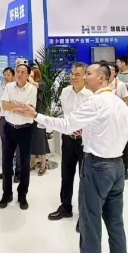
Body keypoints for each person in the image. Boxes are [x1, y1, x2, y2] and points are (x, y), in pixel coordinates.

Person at [14, 63, 128, 253]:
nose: (84, 77)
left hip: (97, 166)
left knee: (90, 222)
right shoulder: (119, 103)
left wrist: (36, 116)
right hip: (117, 166)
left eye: (89, 74)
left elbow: (67, 124)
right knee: (115, 223)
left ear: (102, 78)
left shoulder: (95, 102)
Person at [48, 63, 92, 222]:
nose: (73, 77)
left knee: (84, 178)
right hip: (67, 139)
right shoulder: (65, 91)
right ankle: (65, 207)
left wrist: (84, 129)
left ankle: (84, 214)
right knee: (66, 175)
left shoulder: (91, 95)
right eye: (72, 74)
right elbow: (64, 114)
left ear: (85, 76)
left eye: (77, 74)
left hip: (85, 142)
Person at [0, 64, 37, 210]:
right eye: (18, 72)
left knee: (25, 164)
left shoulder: (32, 89)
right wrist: (19, 106)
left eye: (23, 72)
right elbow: (4, 106)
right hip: (9, 128)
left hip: (26, 130)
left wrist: (13, 105)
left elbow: (29, 110)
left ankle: (22, 196)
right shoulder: (9, 87)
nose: (20, 74)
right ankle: (7, 194)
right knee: (6, 162)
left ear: (28, 75)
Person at [0, 67, 21, 182]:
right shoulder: (0, 89)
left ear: (13, 76)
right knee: (5, 147)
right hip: (3, 120)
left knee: (18, 147)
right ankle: (7, 171)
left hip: (15, 120)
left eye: (8, 75)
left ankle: (18, 172)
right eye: (4, 75)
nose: (6, 77)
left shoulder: (17, 89)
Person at [109, 64, 128, 180]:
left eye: (112, 70)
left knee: (123, 144)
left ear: (116, 72)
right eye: (108, 69)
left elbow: (127, 101)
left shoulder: (121, 85)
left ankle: (125, 169)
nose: (110, 71)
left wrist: (118, 107)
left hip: (119, 120)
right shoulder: (102, 84)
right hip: (107, 120)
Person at [29, 67, 50, 176]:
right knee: (30, 140)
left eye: (32, 75)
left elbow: (34, 84)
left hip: (39, 116)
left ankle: (43, 165)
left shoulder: (41, 84)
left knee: (41, 141)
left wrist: (28, 77)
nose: (29, 77)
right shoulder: (27, 87)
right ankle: (32, 163)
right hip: (29, 116)